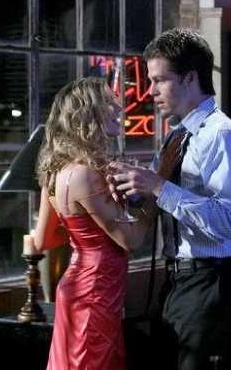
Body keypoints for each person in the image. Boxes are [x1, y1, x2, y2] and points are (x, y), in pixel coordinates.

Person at [107, 28, 231, 370]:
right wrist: (134, 193)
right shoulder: (177, 136)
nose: (150, 91)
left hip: (215, 283)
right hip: (179, 282)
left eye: (160, 80)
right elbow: (162, 198)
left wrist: (159, 187)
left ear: (190, 78)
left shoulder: (223, 137)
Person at [34, 77, 152, 370]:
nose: (119, 108)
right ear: (88, 113)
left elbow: (44, 240)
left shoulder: (55, 172)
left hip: (81, 288)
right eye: (109, 103)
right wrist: (154, 197)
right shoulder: (85, 174)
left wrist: (87, 227)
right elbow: (131, 241)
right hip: (95, 293)